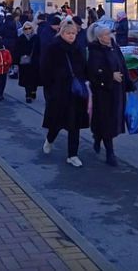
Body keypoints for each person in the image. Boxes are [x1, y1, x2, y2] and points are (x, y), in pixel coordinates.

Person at [40, 21, 89, 168]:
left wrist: (85, 82)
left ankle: (72, 155)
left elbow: (84, 67)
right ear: (62, 33)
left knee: (74, 125)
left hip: (75, 93)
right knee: (57, 122)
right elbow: (45, 69)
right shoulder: (54, 48)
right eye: (68, 33)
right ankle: (49, 139)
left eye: (74, 33)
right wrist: (50, 89)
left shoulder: (78, 48)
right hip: (59, 92)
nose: (71, 36)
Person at [87, 22, 135, 166]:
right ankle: (110, 153)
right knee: (106, 121)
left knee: (112, 120)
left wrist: (128, 83)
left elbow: (122, 65)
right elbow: (93, 71)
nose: (110, 36)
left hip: (117, 91)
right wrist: (110, 76)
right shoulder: (95, 50)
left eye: (109, 33)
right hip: (103, 92)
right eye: (107, 34)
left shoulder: (114, 47)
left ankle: (98, 137)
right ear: (100, 37)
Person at [15, 21, 41, 103]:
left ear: (32, 28)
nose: (27, 30)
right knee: (26, 79)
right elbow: (17, 50)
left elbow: (40, 50)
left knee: (34, 79)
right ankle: (28, 95)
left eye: (29, 28)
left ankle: (33, 91)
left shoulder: (36, 38)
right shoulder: (21, 38)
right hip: (24, 62)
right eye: (25, 28)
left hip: (34, 62)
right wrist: (17, 61)